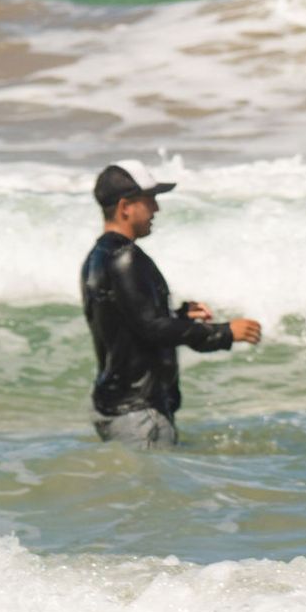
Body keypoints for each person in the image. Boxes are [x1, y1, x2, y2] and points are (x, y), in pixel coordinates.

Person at [82, 159, 262, 449]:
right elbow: (152, 328)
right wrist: (225, 332)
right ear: (125, 207)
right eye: (149, 200)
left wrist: (179, 315)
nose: (156, 209)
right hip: (139, 413)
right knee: (151, 480)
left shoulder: (98, 257)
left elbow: (129, 322)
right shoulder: (126, 258)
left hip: (114, 405)